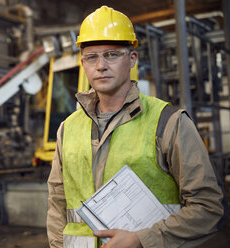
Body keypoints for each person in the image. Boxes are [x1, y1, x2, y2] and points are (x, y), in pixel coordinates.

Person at [46, 5, 228, 248]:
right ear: (83, 63)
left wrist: (143, 240)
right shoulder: (68, 129)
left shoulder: (168, 122)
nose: (100, 65)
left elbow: (209, 208)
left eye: (112, 54)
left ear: (132, 59)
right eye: (92, 57)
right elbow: (58, 206)